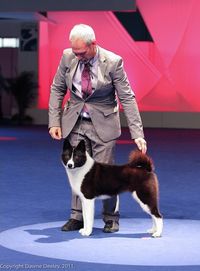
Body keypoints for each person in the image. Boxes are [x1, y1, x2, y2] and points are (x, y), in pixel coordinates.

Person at [48, 24, 147, 233]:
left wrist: (137, 134)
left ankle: (111, 218)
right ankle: (77, 217)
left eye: (82, 52)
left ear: (93, 45)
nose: (78, 56)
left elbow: (127, 98)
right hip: (74, 122)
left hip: (103, 125)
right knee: (75, 170)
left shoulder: (113, 62)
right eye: (75, 52)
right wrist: (54, 122)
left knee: (106, 174)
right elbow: (57, 88)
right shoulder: (68, 57)